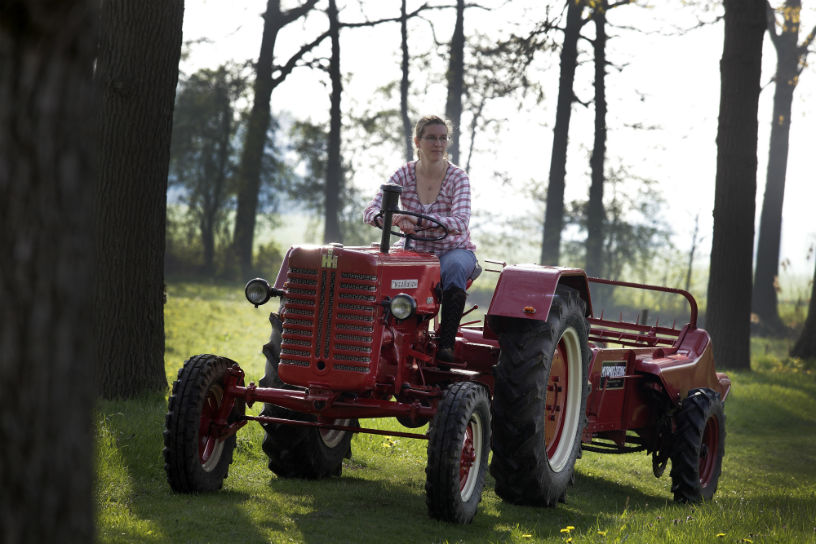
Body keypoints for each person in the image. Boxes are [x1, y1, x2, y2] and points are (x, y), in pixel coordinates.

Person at [363, 115, 477, 362]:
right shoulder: (403, 173)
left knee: (455, 268)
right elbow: (371, 212)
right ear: (417, 141)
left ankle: (446, 345)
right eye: (431, 138)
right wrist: (394, 219)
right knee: (376, 266)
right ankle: (373, 338)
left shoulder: (458, 178)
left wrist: (418, 220)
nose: (438, 143)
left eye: (443, 138)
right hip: (412, 249)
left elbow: (459, 222)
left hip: (451, 250)